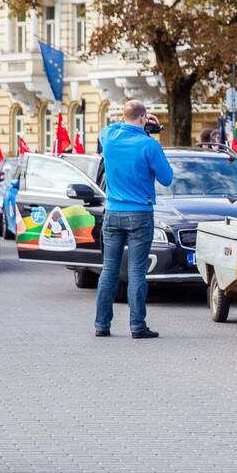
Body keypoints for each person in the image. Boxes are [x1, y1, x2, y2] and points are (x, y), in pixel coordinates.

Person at [93, 100, 174, 339]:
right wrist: (149, 131)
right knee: (137, 270)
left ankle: (101, 325)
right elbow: (167, 178)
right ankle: (137, 326)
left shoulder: (109, 137)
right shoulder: (149, 145)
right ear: (143, 119)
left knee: (109, 269)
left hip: (113, 212)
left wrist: (139, 123)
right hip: (140, 213)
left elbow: (113, 126)